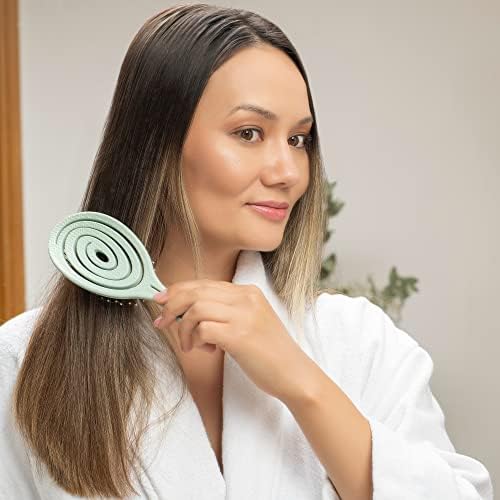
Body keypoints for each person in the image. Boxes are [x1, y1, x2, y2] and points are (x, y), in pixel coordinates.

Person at [0, 4, 494, 499]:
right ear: (156, 142)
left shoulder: (359, 343)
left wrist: (301, 382)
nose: (289, 172)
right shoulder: (25, 362)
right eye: (249, 133)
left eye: (298, 139)